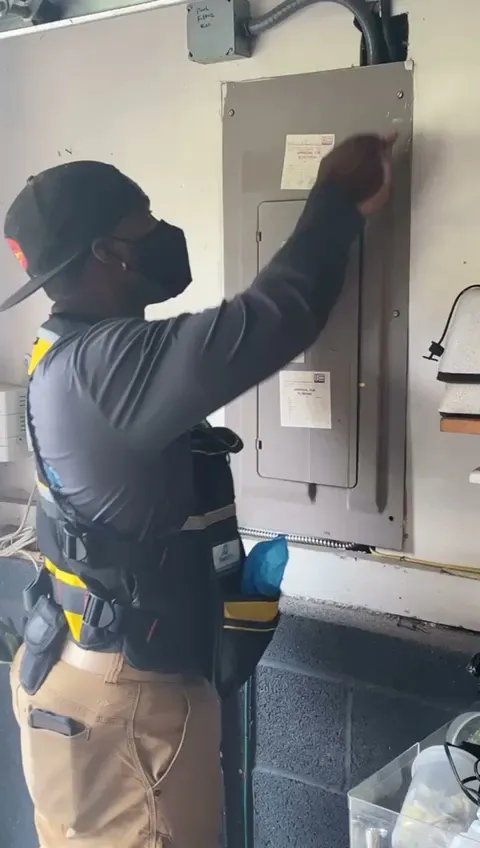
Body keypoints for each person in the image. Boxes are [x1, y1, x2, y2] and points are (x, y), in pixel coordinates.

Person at [1, 133, 394, 848]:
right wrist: (338, 196)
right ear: (110, 254)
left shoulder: (62, 352)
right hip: (126, 705)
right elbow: (276, 315)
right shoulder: (108, 366)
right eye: (145, 223)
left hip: (70, 674)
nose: (161, 234)